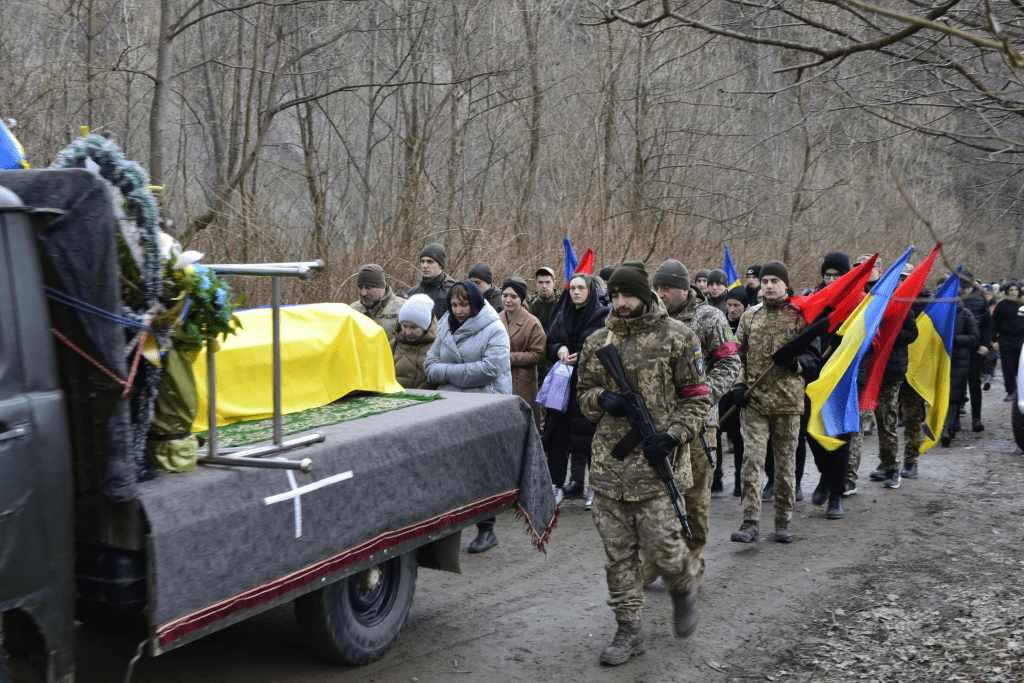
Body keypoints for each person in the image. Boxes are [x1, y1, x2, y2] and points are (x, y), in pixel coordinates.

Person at [576, 261, 711, 664]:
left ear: (646, 294)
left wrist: (673, 435)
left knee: (666, 550)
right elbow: (583, 395)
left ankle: (683, 586)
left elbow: (698, 397)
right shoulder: (598, 341)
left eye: (628, 295)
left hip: (657, 467)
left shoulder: (679, 337)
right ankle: (628, 631)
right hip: (609, 469)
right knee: (619, 557)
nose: (620, 302)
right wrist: (602, 400)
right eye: (614, 295)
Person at [649, 259, 739, 588]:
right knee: (655, 495)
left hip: (699, 427)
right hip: (658, 424)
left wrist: (701, 399)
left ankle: (692, 559)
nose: (660, 294)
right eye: (656, 288)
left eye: (667, 289)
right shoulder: (650, 319)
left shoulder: (709, 317)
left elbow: (730, 362)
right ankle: (656, 560)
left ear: (685, 289)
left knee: (695, 495)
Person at [730, 261, 821, 544]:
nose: (769, 285)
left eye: (774, 281)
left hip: (787, 404)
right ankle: (750, 522)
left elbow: (815, 360)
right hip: (754, 403)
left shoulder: (801, 316)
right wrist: (739, 385)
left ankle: (783, 520)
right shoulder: (749, 317)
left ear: (785, 284)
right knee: (752, 462)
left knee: (784, 466)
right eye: (765, 280)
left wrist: (794, 364)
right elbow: (737, 356)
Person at [424, 282, 512, 553]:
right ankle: (450, 527)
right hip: (452, 406)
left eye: (463, 305)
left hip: (484, 407)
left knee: (481, 468)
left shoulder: (494, 328)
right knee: (452, 467)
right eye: (454, 305)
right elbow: (428, 366)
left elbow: (490, 369)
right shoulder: (447, 326)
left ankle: (487, 529)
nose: (458, 310)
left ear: (474, 303)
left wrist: (447, 370)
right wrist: (457, 372)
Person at [544, 273, 610, 504]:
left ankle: (596, 488)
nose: (576, 292)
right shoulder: (563, 315)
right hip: (561, 384)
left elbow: (607, 351)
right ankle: (555, 485)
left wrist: (581, 357)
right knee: (557, 438)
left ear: (590, 291)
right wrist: (559, 349)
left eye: (581, 288)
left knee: (590, 438)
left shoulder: (602, 317)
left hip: (588, 385)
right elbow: (548, 343)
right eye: (572, 288)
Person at [499, 278, 547, 429]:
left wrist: (509, 358)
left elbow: (539, 354)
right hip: (498, 380)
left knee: (522, 425)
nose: (508, 300)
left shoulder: (532, 323)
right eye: (505, 295)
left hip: (522, 382)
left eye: (513, 296)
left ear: (522, 299)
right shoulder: (496, 318)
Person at [940, 297, 980, 446]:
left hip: (959, 360)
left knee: (954, 394)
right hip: (940, 359)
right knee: (943, 395)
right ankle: (951, 424)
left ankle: (947, 428)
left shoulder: (965, 314)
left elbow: (974, 337)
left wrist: (954, 339)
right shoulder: (938, 313)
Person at [722, 287, 749, 496]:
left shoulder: (748, 323)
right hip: (722, 388)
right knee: (714, 432)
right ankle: (716, 480)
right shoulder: (721, 323)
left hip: (741, 389)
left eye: (736, 306)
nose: (732, 309)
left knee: (740, 439)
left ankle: (741, 481)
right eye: (729, 305)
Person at [959, 271, 992, 431]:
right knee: (956, 384)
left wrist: (986, 344)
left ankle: (976, 419)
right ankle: (954, 419)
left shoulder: (981, 300)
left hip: (976, 349)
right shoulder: (953, 299)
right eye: (961, 287)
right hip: (957, 348)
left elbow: (987, 325)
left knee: (974, 383)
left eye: (966, 287)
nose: (964, 290)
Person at [391, 294, 438, 390]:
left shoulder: (438, 347)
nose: (408, 332)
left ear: (426, 326)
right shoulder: (393, 344)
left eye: (413, 327)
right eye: (404, 326)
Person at [349, 264, 405, 344]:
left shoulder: (403, 308)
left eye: (368, 288)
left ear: (381, 286)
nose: (363, 293)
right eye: (360, 288)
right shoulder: (353, 310)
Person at [993, 281, 1024, 402]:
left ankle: (1021, 391)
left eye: (1015, 290)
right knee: (1008, 367)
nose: (1013, 292)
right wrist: (994, 340)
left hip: (1021, 339)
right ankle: (1011, 391)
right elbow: (994, 323)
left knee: (1020, 367)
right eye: (1011, 290)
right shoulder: (1001, 305)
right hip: (1005, 339)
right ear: (1007, 291)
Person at [407, 243, 456, 320]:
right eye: (422, 261)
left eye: (430, 261)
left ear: (440, 265)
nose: (424, 266)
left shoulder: (453, 292)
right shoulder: (412, 293)